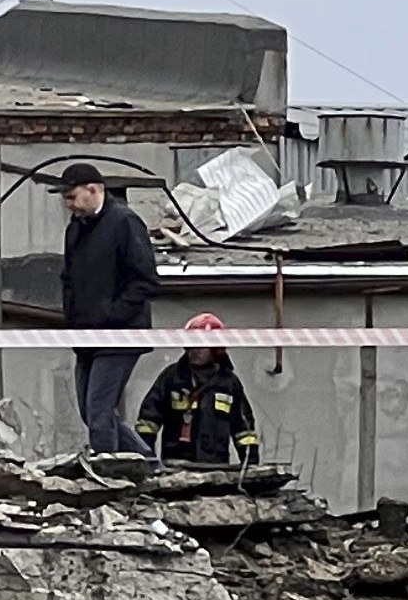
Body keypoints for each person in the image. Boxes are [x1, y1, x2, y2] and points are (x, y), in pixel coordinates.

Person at [60, 161, 162, 456]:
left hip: (119, 336)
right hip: (86, 336)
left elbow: (147, 280)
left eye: (72, 197)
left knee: (99, 412)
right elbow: (69, 278)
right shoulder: (76, 229)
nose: (70, 205)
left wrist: (112, 315)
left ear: (93, 190)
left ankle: (107, 474)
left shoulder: (125, 222)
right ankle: (146, 464)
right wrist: (74, 319)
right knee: (92, 413)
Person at [139, 309, 261, 466]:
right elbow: (147, 422)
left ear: (216, 349)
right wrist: (148, 460)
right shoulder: (172, 378)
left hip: (215, 467)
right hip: (175, 466)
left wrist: (250, 467)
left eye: (201, 345)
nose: (194, 350)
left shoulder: (229, 384)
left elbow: (244, 431)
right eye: (191, 345)